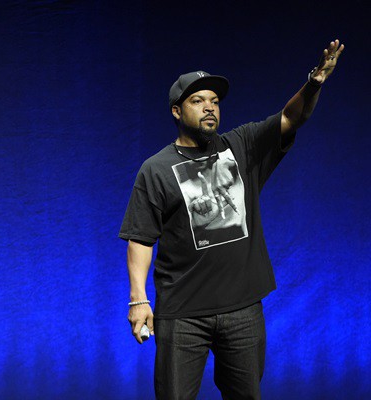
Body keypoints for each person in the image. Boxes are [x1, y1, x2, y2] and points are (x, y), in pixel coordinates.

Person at [119, 40, 344, 399]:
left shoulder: (242, 146)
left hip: (243, 310)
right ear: (177, 112)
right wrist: (138, 299)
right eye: (197, 101)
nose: (209, 108)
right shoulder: (156, 169)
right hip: (182, 314)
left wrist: (314, 82)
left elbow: (291, 118)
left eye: (214, 101)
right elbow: (141, 238)